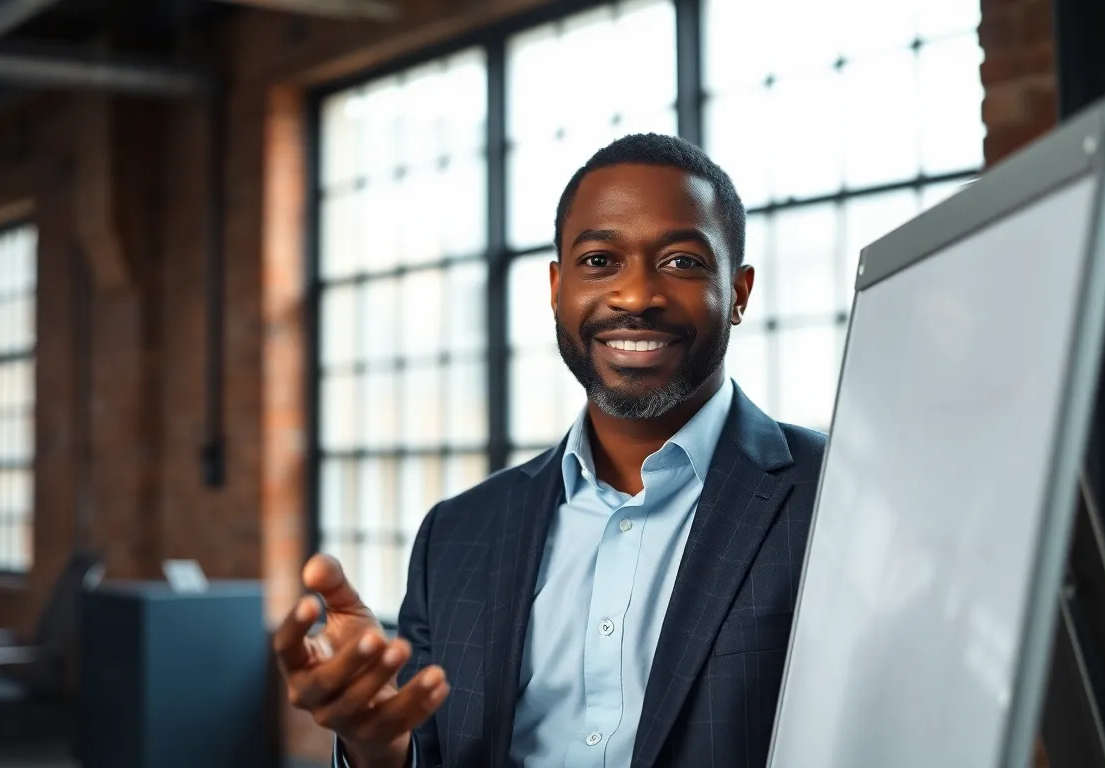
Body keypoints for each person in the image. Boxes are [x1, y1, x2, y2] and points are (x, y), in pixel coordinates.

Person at [275, 133, 828, 768]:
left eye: (681, 262)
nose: (636, 295)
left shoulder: (834, 496)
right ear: (556, 287)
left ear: (739, 292)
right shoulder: (455, 536)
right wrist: (377, 743)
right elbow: (423, 751)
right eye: (600, 261)